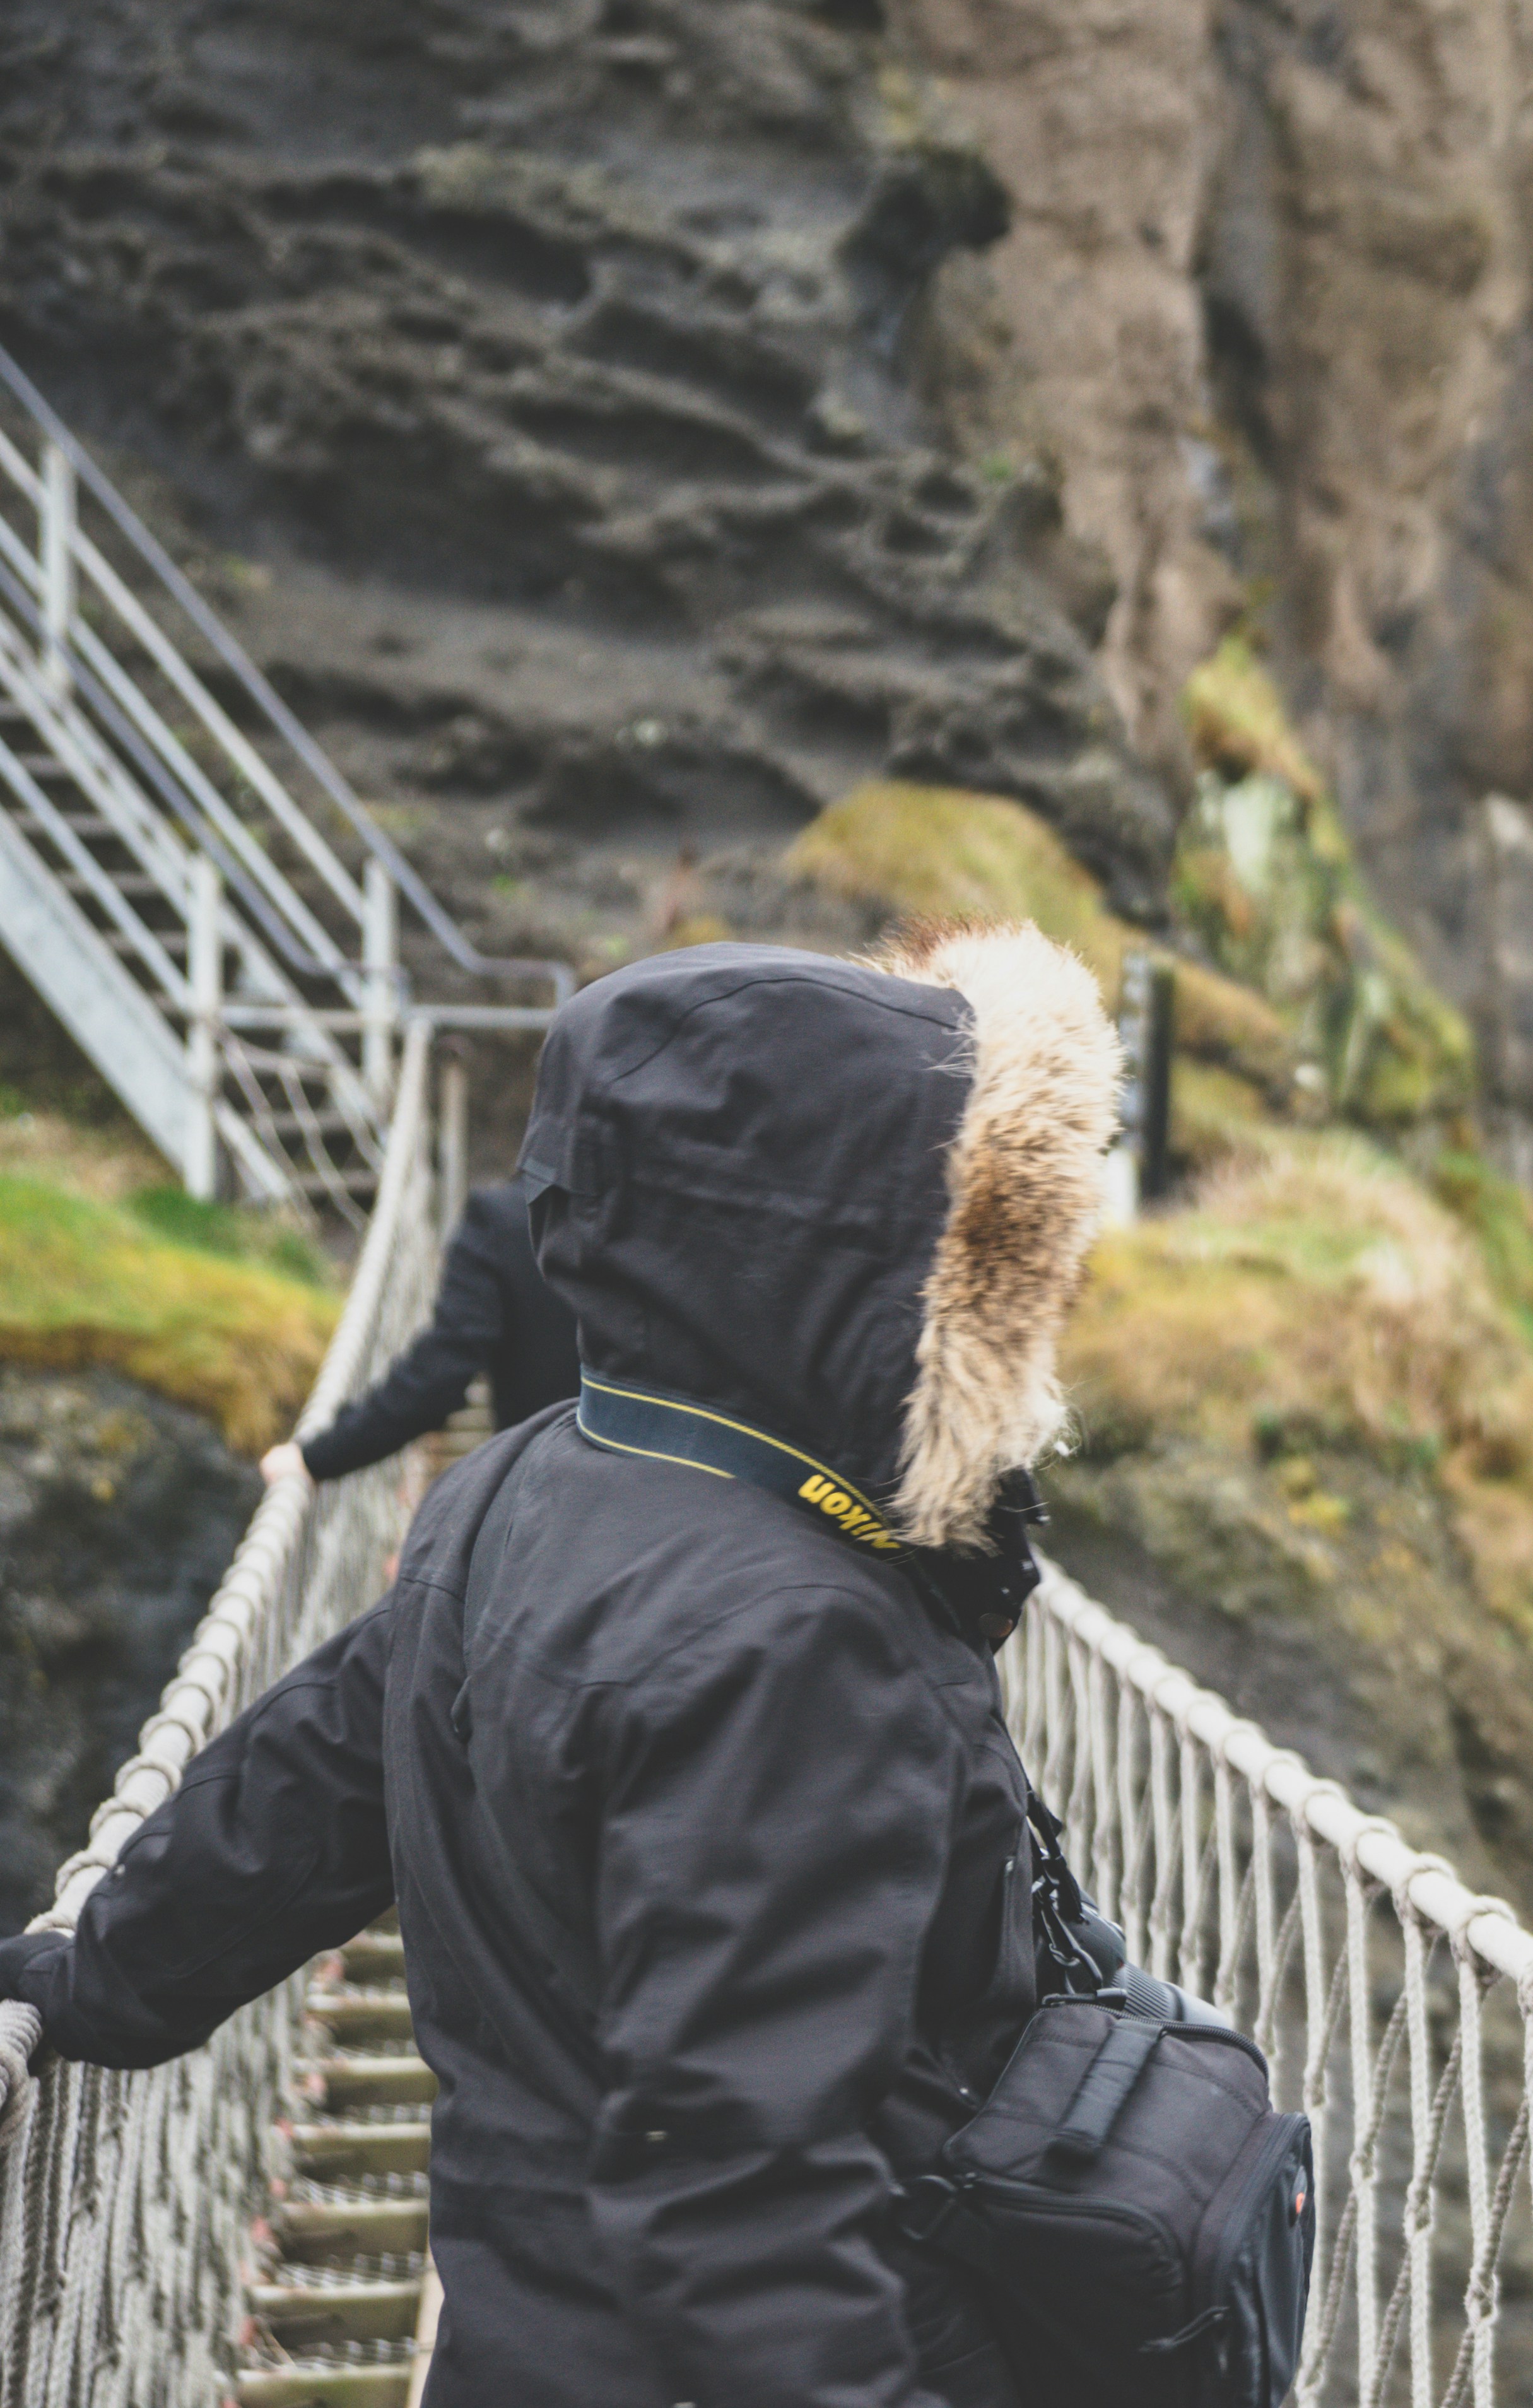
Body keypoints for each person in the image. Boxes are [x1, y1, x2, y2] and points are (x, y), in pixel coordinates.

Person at [0, 922, 1122, 2408]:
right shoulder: (796, 1637)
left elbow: (308, 1780)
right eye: (978, 1245)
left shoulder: (520, 1484)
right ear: (845, 1251)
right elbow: (744, 2206)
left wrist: (97, 1979)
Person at [261, 1173, 582, 1493]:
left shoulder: (502, 1219)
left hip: (550, 1499)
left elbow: (440, 1374)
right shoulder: (628, 1213)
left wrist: (318, 1458)